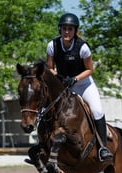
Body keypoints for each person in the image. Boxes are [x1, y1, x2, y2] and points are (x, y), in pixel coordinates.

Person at [46, 13, 113, 162]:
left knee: (96, 110)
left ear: (75, 30)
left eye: (70, 29)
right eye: (64, 29)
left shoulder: (82, 47)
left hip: (84, 85)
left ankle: (103, 148)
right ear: (60, 30)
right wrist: (58, 77)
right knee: (48, 108)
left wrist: (75, 79)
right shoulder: (52, 45)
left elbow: (90, 69)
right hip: (64, 86)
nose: (67, 32)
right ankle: (43, 146)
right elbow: (49, 67)